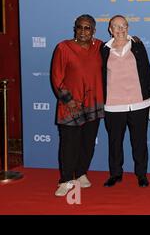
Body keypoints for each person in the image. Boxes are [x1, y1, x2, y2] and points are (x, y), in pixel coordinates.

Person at [51, 14, 104, 196]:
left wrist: (131, 40)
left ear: (94, 31)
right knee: (69, 145)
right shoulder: (63, 48)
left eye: (87, 28)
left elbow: (120, 48)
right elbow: (57, 77)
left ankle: (81, 173)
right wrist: (68, 100)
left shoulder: (100, 47)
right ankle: (65, 180)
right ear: (75, 29)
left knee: (88, 143)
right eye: (79, 27)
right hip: (70, 105)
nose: (83, 31)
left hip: (93, 104)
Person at [101, 15, 150, 188]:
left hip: (138, 103)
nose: (120, 29)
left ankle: (141, 174)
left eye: (123, 25)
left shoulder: (137, 45)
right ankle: (115, 174)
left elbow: (147, 71)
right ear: (110, 29)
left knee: (139, 142)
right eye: (116, 26)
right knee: (114, 143)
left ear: (128, 27)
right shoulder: (104, 49)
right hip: (113, 105)